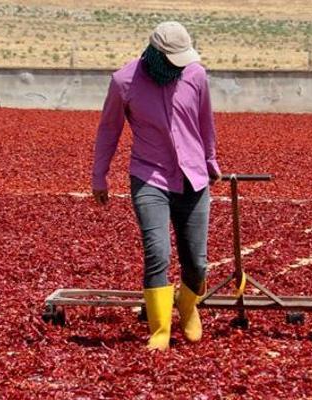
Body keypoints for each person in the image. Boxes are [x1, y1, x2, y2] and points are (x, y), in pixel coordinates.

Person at [91, 21, 221, 351]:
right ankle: (160, 328)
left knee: (196, 261)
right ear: (157, 54)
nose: (181, 64)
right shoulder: (125, 81)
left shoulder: (196, 76)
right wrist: (99, 175)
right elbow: (109, 130)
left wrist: (210, 160)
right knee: (157, 253)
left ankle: (188, 308)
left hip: (193, 178)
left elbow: (206, 123)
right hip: (150, 177)